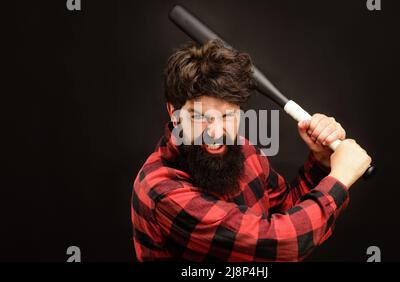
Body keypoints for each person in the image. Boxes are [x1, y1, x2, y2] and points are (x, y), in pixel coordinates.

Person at [131, 40, 371, 261]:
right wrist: (339, 180)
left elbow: (287, 209)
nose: (215, 132)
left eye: (227, 116)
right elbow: (281, 242)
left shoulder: (243, 150)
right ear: (174, 113)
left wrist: (321, 163)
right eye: (199, 117)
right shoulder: (161, 189)